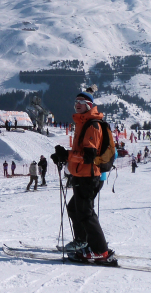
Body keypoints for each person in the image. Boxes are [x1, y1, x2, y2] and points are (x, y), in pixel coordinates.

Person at [52, 88, 115, 264]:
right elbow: (81, 152)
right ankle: (82, 241)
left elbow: (89, 156)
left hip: (89, 175)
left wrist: (67, 156)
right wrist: (65, 155)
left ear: (89, 105)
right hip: (82, 175)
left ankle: (100, 250)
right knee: (74, 208)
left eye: (81, 102)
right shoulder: (83, 123)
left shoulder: (92, 125)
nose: (77, 105)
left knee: (86, 213)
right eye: (75, 102)